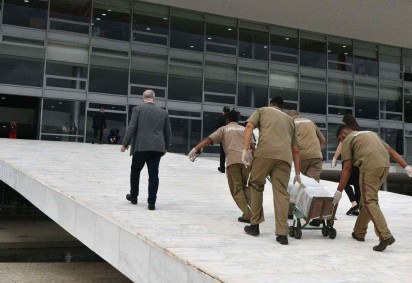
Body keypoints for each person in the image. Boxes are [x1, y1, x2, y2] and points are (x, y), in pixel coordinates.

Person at [332, 125, 412, 251]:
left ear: (343, 134)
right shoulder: (370, 133)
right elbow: (390, 150)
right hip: (384, 166)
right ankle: (359, 232)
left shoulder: (347, 140)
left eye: (339, 139)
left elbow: (347, 168)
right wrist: (406, 167)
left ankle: (385, 236)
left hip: (369, 167)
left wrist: (339, 191)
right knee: (367, 200)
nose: (340, 142)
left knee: (369, 201)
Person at [241, 97, 304, 245]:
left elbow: (249, 126)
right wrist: (298, 173)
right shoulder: (289, 120)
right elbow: (296, 149)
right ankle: (282, 234)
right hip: (285, 158)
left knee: (256, 185)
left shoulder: (262, 110)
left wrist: (245, 150)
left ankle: (254, 225)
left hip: (264, 153)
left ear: (271, 105)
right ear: (282, 108)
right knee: (281, 193)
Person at [189, 109, 254, 223]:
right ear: (237, 120)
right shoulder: (245, 129)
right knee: (244, 186)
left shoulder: (224, 129)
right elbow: (253, 147)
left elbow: (209, 139)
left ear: (227, 119)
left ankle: (248, 214)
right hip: (247, 161)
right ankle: (257, 211)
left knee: (236, 189)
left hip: (233, 161)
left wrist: (195, 149)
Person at [121, 90, 171, 210]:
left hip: (141, 147)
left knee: (135, 170)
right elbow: (168, 131)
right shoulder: (163, 112)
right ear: (154, 98)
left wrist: (125, 143)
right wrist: (166, 147)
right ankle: (151, 202)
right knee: (153, 174)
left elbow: (132, 127)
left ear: (143, 98)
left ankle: (133, 196)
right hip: (157, 148)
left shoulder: (137, 109)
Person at [331, 114, 361, 216]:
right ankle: (358, 207)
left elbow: (341, 146)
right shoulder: (358, 131)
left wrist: (334, 158)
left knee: (344, 181)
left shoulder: (347, 133)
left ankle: (354, 204)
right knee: (357, 184)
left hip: (349, 160)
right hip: (358, 162)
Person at [288, 110, 325, 182]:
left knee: (298, 182)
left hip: (301, 156)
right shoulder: (310, 122)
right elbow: (323, 140)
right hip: (316, 156)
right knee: (313, 184)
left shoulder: (291, 123)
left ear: (289, 117)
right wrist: (316, 150)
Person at [217, 106, 231, 173]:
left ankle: (222, 168)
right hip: (231, 138)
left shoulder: (221, 118)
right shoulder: (232, 118)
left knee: (222, 153)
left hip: (224, 138)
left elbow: (218, 127)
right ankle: (231, 168)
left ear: (223, 111)